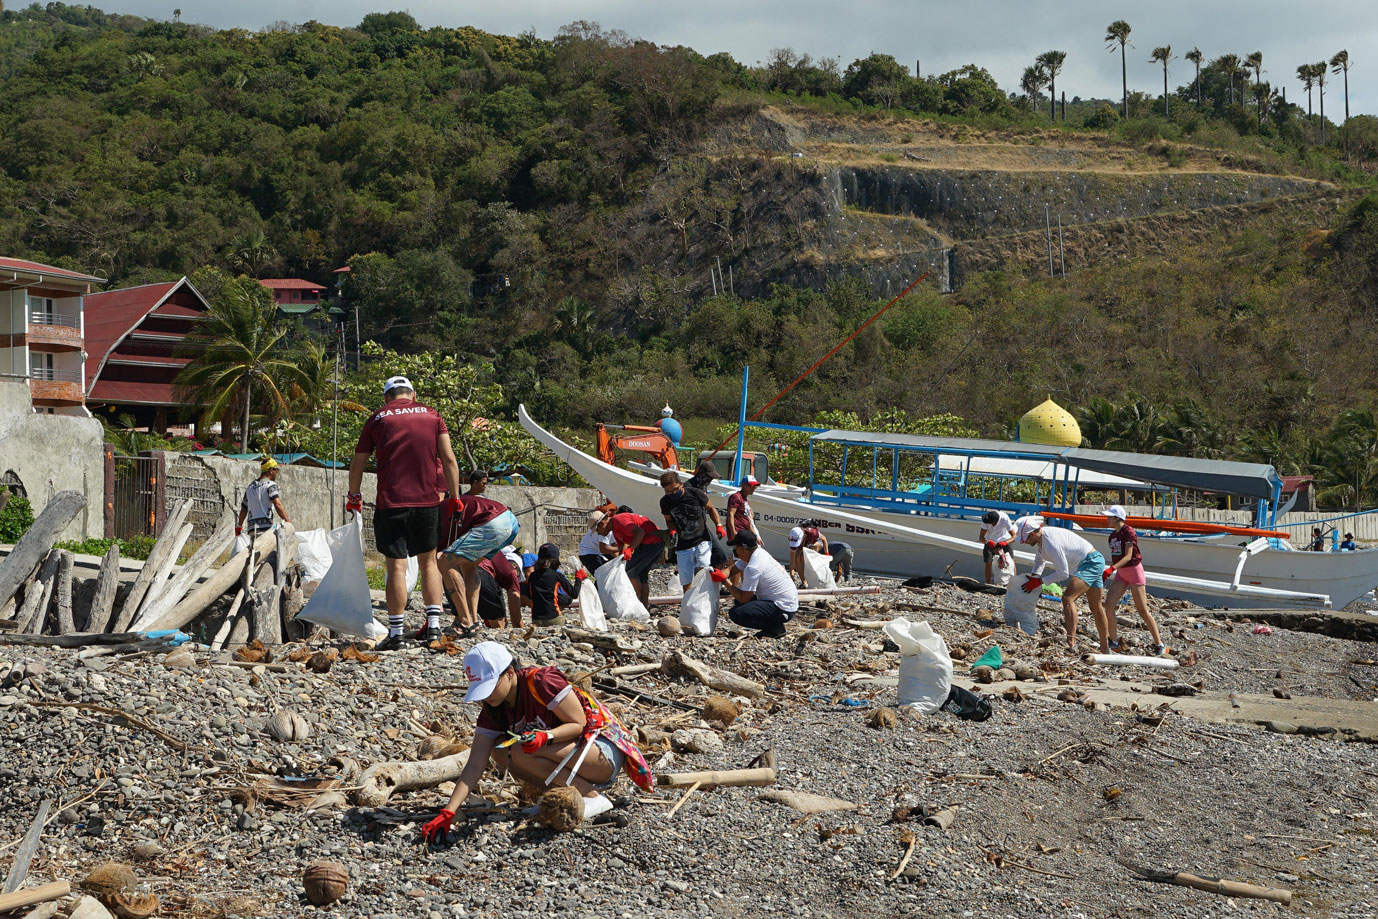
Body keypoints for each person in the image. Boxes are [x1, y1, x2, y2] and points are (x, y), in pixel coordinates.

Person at [420, 642, 653, 843]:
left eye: (490, 687)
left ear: (509, 672)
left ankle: (592, 797)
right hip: (569, 757)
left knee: (521, 748)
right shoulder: (493, 708)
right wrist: (449, 811)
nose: (486, 696)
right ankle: (568, 793)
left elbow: (579, 723)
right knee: (501, 751)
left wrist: (546, 736)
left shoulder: (541, 682)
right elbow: (474, 765)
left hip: (601, 753)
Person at [348, 375, 460, 650]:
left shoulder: (377, 419)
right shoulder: (432, 415)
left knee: (396, 566)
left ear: (387, 397)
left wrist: (354, 496)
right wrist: (456, 497)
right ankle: (433, 629)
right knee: (429, 563)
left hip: (391, 503)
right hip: (427, 502)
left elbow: (358, 463)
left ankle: (396, 632)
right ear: (412, 394)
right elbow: (448, 459)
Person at [1016, 515, 1110, 654]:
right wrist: (1034, 576)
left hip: (1090, 562)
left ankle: (1071, 643)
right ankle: (1105, 648)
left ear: (1033, 533)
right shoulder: (1041, 540)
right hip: (1089, 562)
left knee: (1067, 598)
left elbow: (1063, 573)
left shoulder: (1051, 542)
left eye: (1026, 539)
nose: (1024, 542)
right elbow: (1039, 559)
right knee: (1095, 606)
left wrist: (1040, 581)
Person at [439, 492, 520, 638]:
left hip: (493, 522)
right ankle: (473, 620)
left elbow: (436, 555)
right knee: (469, 565)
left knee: (445, 563)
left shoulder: (435, 513)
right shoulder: (449, 506)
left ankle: (464, 622)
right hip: (510, 521)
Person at [1099, 505, 1166, 657]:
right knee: (1109, 604)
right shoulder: (1112, 536)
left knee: (1142, 610)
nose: (1107, 519)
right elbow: (1118, 556)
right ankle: (1114, 641)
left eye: (1110, 516)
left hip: (1134, 571)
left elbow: (1128, 556)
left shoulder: (1128, 532)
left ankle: (1159, 643)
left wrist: (1111, 569)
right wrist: (1113, 569)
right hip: (1122, 573)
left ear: (1117, 518)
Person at [714, 530, 798, 638]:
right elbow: (731, 570)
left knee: (737, 614)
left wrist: (724, 581)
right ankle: (774, 626)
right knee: (738, 602)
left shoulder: (753, 567)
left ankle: (775, 628)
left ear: (740, 549)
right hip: (786, 601)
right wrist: (717, 575)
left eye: (735, 547)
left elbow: (744, 598)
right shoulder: (755, 553)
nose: (734, 550)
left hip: (784, 608)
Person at [659, 470, 724, 590]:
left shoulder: (695, 493)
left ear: (681, 484)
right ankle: (689, 604)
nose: (672, 493)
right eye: (668, 491)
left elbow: (711, 508)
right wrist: (672, 531)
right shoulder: (665, 502)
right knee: (686, 579)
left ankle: (705, 598)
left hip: (702, 539)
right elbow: (669, 520)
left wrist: (718, 525)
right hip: (683, 544)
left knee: (703, 570)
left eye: (675, 489)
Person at [598, 508, 664, 606]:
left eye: (597, 530)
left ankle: (636, 606)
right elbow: (621, 547)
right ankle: (643, 608)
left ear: (602, 524)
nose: (598, 533)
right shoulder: (615, 530)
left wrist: (630, 549)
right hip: (648, 544)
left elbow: (640, 532)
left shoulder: (619, 520)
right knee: (641, 575)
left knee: (631, 571)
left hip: (652, 542)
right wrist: (620, 562)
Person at [687, 459, 730, 567]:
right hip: (690, 530)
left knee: (720, 556)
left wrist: (718, 525)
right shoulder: (688, 488)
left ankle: (712, 580)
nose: (710, 480)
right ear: (702, 474)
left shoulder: (703, 486)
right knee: (698, 562)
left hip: (702, 527)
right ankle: (701, 581)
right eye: (709, 477)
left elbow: (710, 508)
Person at [524, 544, 579, 627]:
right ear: (555, 559)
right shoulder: (557, 575)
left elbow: (530, 595)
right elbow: (574, 594)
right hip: (554, 619)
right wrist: (579, 577)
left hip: (536, 620)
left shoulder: (532, 576)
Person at [237, 457, 290, 543]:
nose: (277, 473)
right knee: (270, 554)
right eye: (276, 470)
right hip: (265, 529)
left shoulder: (250, 487)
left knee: (254, 553)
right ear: (271, 470)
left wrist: (239, 525)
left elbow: (244, 509)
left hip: (251, 529)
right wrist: (287, 521)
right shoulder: (270, 485)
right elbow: (277, 504)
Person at [474, 552, 523, 629]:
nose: (517, 579)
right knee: (500, 625)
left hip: (459, 569)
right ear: (515, 566)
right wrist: (519, 627)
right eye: (519, 576)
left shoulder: (496, 561)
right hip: (481, 572)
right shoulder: (511, 571)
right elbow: (514, 596)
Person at [978, 509, 1015, 584]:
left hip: (1004, 539)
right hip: (990, 541)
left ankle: (1014, 583)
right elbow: (981, 538)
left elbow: (1014, 536)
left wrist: (1005, 543)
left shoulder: (1004, 518)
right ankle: (987, 583)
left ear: (995, 522)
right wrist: (987, 542)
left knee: (1011, 561)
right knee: (988, 562)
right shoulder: (986, 521)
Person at [726, 475, 762, 545]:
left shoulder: (745, 500)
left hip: (746, 533)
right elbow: (730, 514)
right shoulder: (736, 497)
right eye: (751, 486)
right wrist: (733, 532)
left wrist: (755, 536)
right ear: (744, 485)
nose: (754, 488)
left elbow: (747, 521)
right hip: (738, 533)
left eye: (755, 486)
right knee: (739, 554)